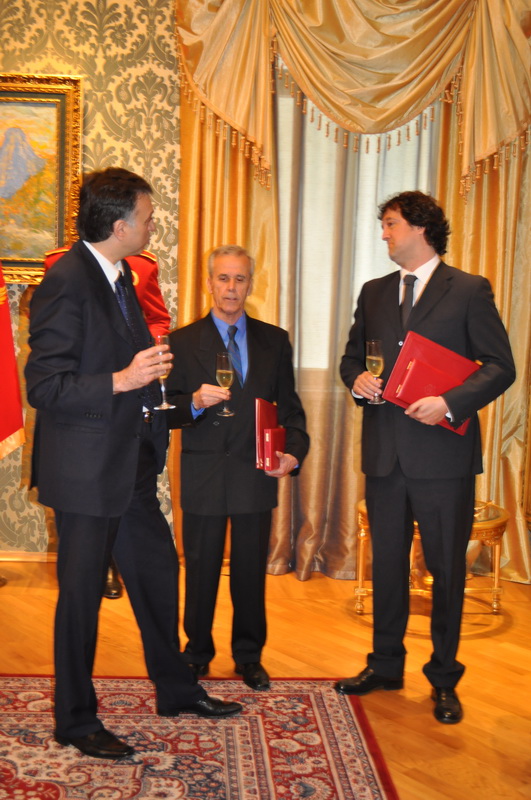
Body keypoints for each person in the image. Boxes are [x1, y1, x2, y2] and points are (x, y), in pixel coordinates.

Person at [25, 168, 241, 761]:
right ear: (119, 226)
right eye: (146, 217)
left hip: (131, 466)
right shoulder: (66, 281)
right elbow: (45, 386)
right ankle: (74, 720)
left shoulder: (122, 276)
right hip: (86, 474)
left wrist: (168, 396)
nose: (152, 226)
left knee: (156, 575)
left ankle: (176, 690)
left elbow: (131, 370)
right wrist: (122, 379)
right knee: (80, 599)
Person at [337, 191, 515, 724]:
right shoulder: (373, 292)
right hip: (385, 456)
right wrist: (357, 380)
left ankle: (443, 679)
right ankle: (385, 665)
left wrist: (449, 402)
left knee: (446, 570)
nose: (384, 234)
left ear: (420, 227)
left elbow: (500, 365)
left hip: (443, 457)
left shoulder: (469, 289)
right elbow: (351, 358)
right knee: (388, 566)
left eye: (391, 224)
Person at [165, 245, 309, 691]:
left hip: (254, 472)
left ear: (250, 284)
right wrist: (194, 402)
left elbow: (291, 410)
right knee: (201, 570)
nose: (231, 288)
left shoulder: (274, 341)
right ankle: (196, 652)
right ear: (209, 282)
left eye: (240, 279)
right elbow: (166, 410)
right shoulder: (182, 342)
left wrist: (293, 453)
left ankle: (249, 656)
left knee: (249, 573)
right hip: (204, 473)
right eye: (223, 278)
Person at [43, 246, 171, 599]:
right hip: (91, 401)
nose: (150, 228)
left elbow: (157, 318)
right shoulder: (59, 264)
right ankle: (104, 566)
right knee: (88, 517)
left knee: (135, 505)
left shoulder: (141, 266)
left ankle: (126, 570)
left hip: (134, 402)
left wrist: (148, 351)